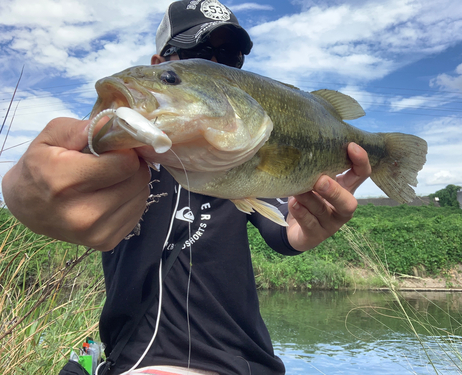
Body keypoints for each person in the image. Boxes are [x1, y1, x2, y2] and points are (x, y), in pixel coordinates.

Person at [1, 1, 372, 374]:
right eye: (196, 55)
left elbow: (280, 225)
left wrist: (303, 230)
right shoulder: (119, 157)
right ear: (159, 63)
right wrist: (17, 192)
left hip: (244, 362)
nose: (216, 66)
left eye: (229, 56)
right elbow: (56, 173)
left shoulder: (244, 156)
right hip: (129, 361)